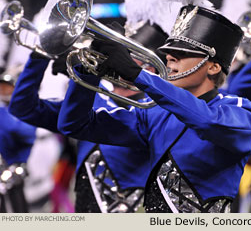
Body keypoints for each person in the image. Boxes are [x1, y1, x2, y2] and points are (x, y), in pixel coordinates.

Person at [57, 5, 251, 213]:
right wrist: (89, 69)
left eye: (181, 53)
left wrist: (138, 75)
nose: (170, 59)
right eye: (169, 53)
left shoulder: (241, 110)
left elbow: (206, 121)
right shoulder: (154, 114)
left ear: (213, 67)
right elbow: (75, 125)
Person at [9, 21, 168, 212]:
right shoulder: (91, 97)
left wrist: (85, 75)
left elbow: (108, 117)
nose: (113, 57)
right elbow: (23, 108)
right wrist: (40, 55)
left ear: (149, 69)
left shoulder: (155, 110)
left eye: (128, 54)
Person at [0, 67, 36, 212]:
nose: (3, 91)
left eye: (7, 88)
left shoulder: (22, 109)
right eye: (1, 87)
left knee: (17, 207)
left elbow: (24, 133)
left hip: (15, 169)